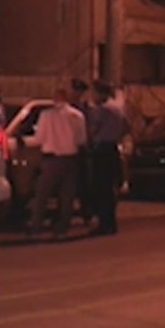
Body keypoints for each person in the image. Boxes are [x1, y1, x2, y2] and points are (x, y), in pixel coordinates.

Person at [28, 86, 88, 239]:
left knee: (42, 195)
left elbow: (39, 139)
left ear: (55, 98)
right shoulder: (77, 116)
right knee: (67, 196)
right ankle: (62, 229)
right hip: (71, 159)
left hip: (51, 160)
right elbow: (82, 140)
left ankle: (36, 228)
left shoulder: (46, 115)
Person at [87, 80, 129, 236]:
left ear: (100, 93)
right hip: (112, 149)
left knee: (101, 188)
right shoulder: (117, 109)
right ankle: (111, 223)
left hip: (102, 149)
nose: (92, 96)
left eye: (94, 92)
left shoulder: (102, 110)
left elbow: (94, 129)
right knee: (110, 188)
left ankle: (104, 223)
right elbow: (126, 128)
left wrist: (90, 139)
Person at [69, 78, 94, 226]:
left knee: (84, 183)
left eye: (79, 91)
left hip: (83, 150)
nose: (77, 94)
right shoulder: (67, 108)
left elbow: (89, 129)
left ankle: (87, 213)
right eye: (75, 91)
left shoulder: (86, 109)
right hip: (68, 150)